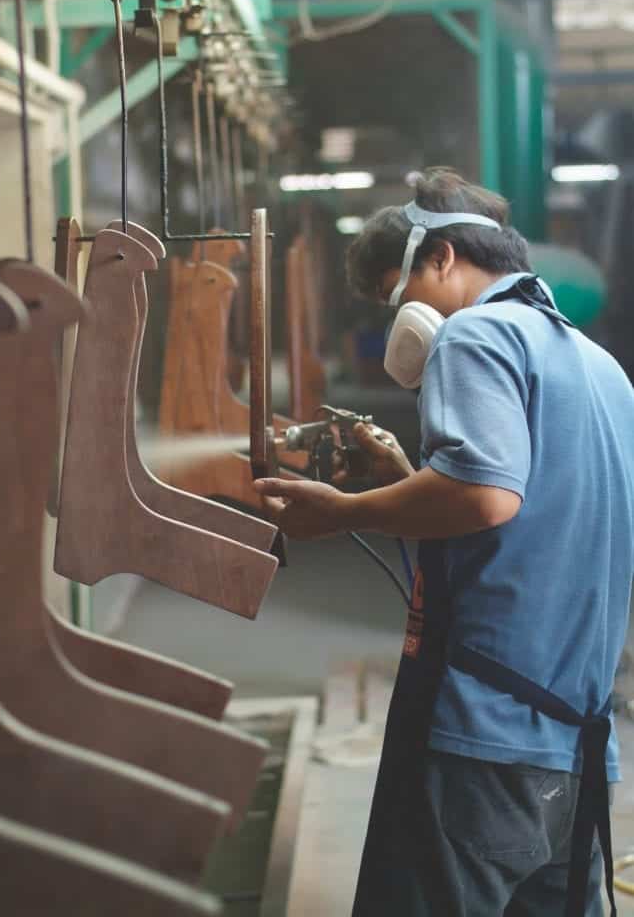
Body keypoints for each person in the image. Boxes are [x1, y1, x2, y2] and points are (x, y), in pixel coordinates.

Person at [255, 168, 634, 917]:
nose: (403, 319)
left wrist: (343, 511)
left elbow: (486, 497)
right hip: (576, 751)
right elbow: (538, 517)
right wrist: (405, 478)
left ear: (442, 258)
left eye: (398, 295)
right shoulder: (601, 369)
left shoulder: (476, 332)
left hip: (484, 743)